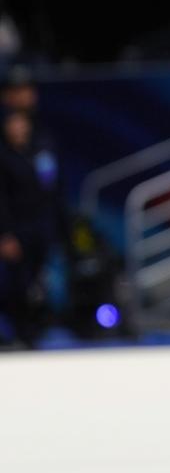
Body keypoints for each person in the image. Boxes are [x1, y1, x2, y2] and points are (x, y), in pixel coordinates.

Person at [0, 106, 71, 346]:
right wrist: (5, 234)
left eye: (21, 123)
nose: (18, 129)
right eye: (13, 124)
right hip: (16, 230)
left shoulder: (41, 149)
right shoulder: (4, 156)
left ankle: (38, 330)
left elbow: (53, 188)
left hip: (42, 226)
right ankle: (18, 331)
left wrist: (59, 226)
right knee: (18, 282)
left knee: (42, 282)